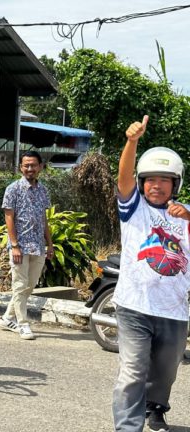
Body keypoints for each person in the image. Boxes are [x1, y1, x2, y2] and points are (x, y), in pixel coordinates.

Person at [112, 115, 189, 432]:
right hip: (134, 307)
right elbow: (123, 179)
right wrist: (132, 142)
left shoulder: (185, 215)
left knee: (166, 370)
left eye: (164, 180)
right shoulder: (133, 209)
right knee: (132, 371)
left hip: (174, 310)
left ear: (176, 184)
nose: (156, 185)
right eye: (150, 180)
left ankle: (155, 408)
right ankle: (128, 427)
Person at [0, 150, 53, 341]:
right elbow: (9, 217)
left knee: (29, 286)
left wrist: (50, 245)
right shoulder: (13, 189)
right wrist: (14, 245)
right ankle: (22, 324)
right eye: (26, 165)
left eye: (33, 165)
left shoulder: (43, 190)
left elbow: (44, 219)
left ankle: (6, 318)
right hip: (20, 246)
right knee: (20, 285)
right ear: (21, 167)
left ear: (40, 167)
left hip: (38, 245)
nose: (30, 168)